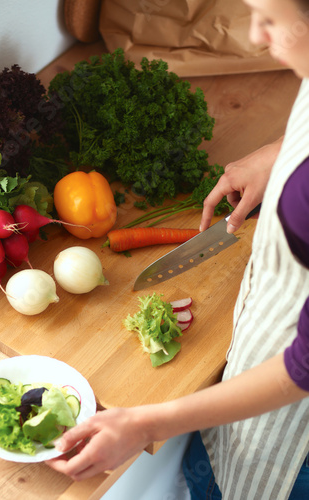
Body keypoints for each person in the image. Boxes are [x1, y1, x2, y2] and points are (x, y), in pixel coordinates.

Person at [46, 1, 309, 498]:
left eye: (270, 20)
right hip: (254, 362)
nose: (254, 37)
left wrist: (145, 425)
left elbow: (304, 368)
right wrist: (277, 156)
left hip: (294, 435)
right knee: (208, 471)